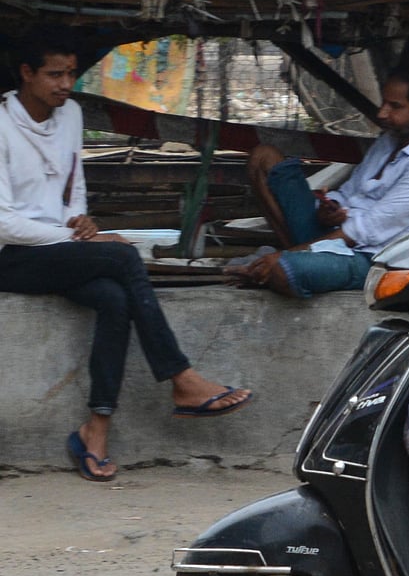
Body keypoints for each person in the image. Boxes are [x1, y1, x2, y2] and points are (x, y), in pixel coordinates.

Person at [0, 28, 253, 483]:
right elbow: (3, 223)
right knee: (122, 259)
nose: (65, 84)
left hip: (57, 248)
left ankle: (94, 431)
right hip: (11, 256)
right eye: (54, 75)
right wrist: (73, 236)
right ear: (26, 74)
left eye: (71, 74)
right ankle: (182, 379)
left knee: (115, 298)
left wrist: (80, 221)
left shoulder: (71, 114)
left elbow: (72, 189)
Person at [231, 63, 409, 297]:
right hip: (337, 234)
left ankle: (289, 261)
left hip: (375, 260)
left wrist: (286, 257)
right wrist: (328, 206)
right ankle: (292, 259)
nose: (382, 113)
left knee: (282, 270)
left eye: (395, 106)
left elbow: (368, 230)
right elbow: (350, 192)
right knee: (263, 158)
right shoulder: (390, 140)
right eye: (384, 102)